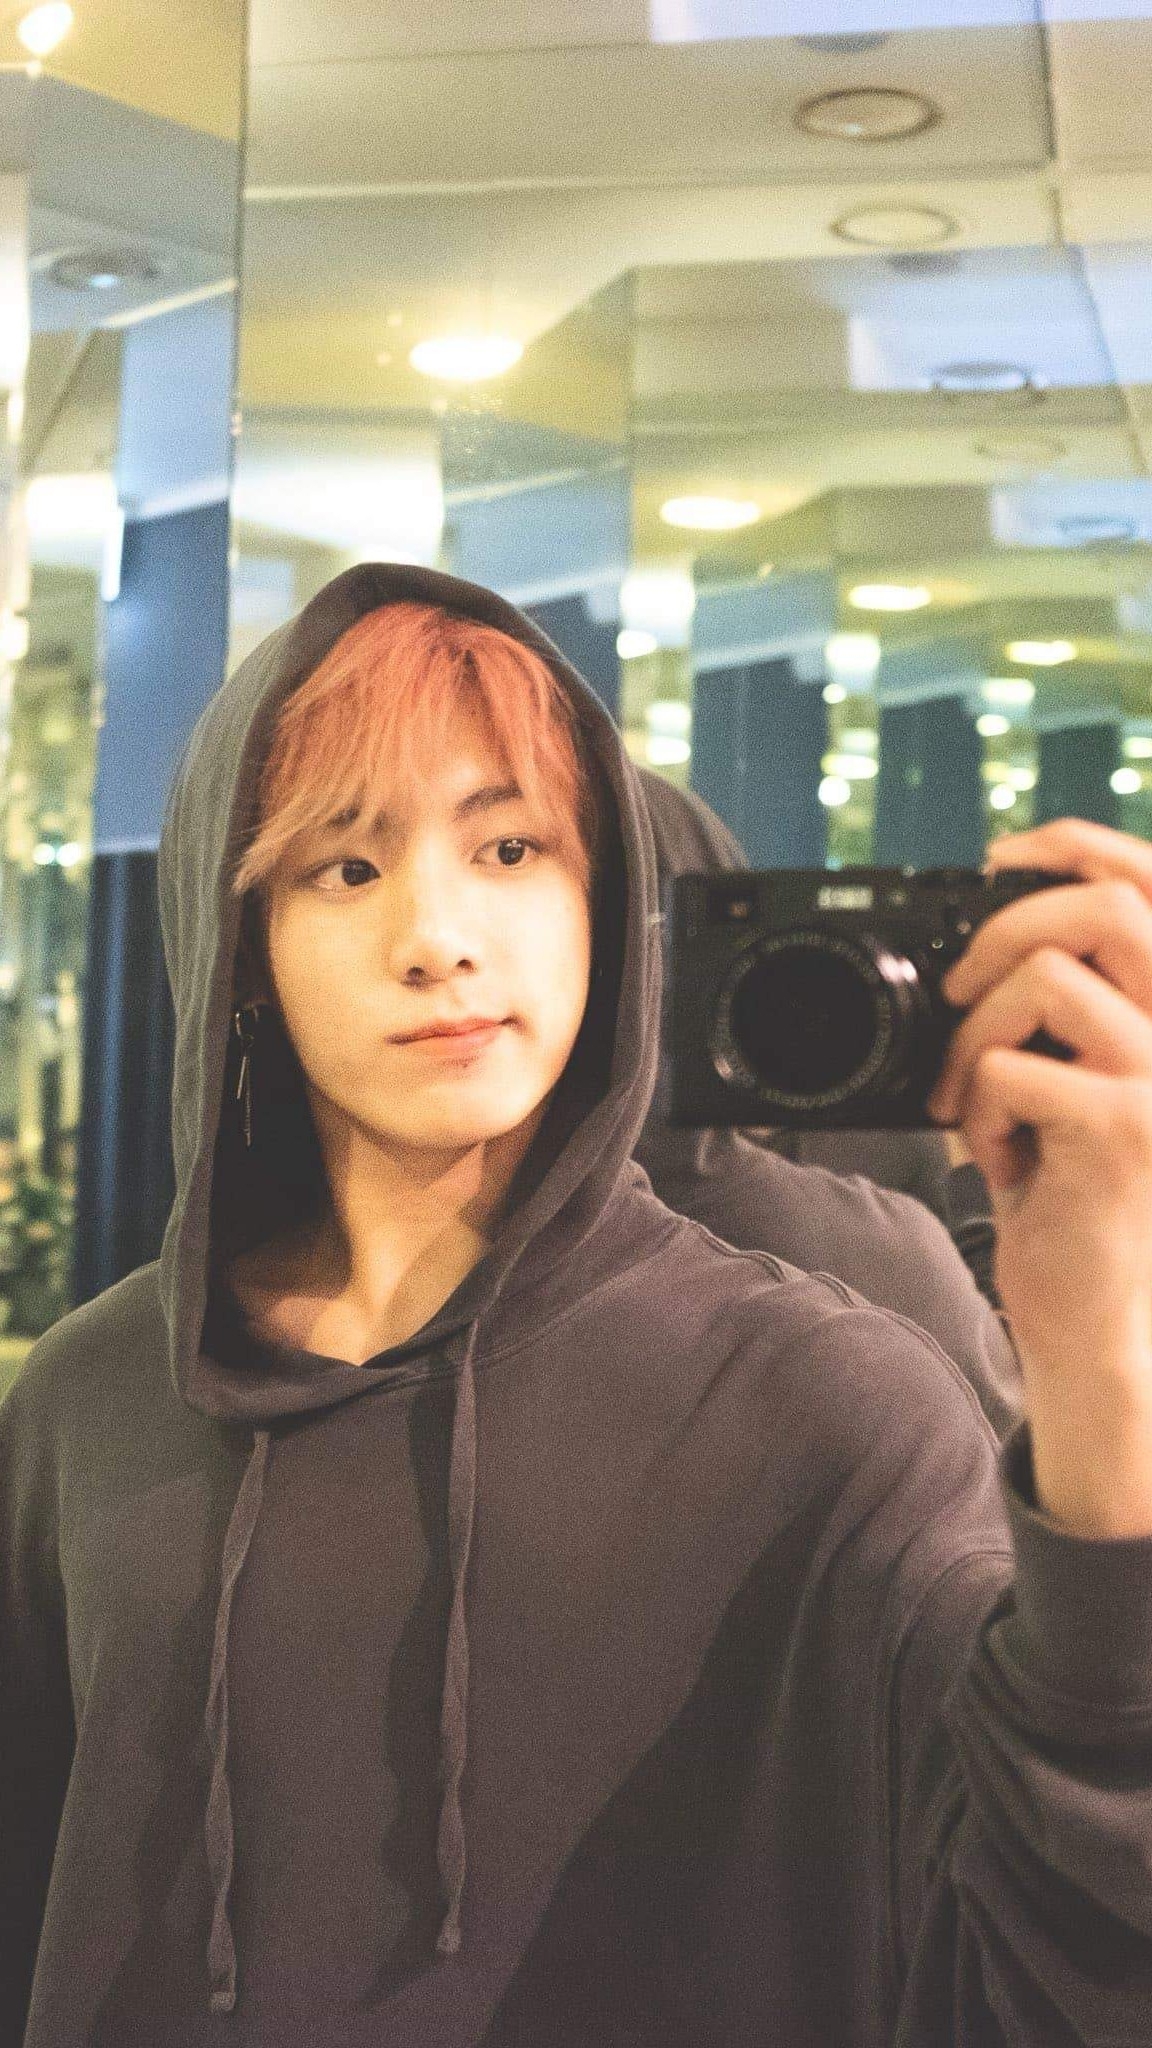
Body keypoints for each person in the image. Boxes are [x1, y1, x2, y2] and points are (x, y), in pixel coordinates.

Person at [2, 564, 1152, 2047]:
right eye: (343, 869)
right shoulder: (95, 1403)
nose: (437, 936)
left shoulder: (824, 1407)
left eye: (510, 848)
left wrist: (1105, 1355)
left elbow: (1065, 1948)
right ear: (243, 949)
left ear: (605, 905)